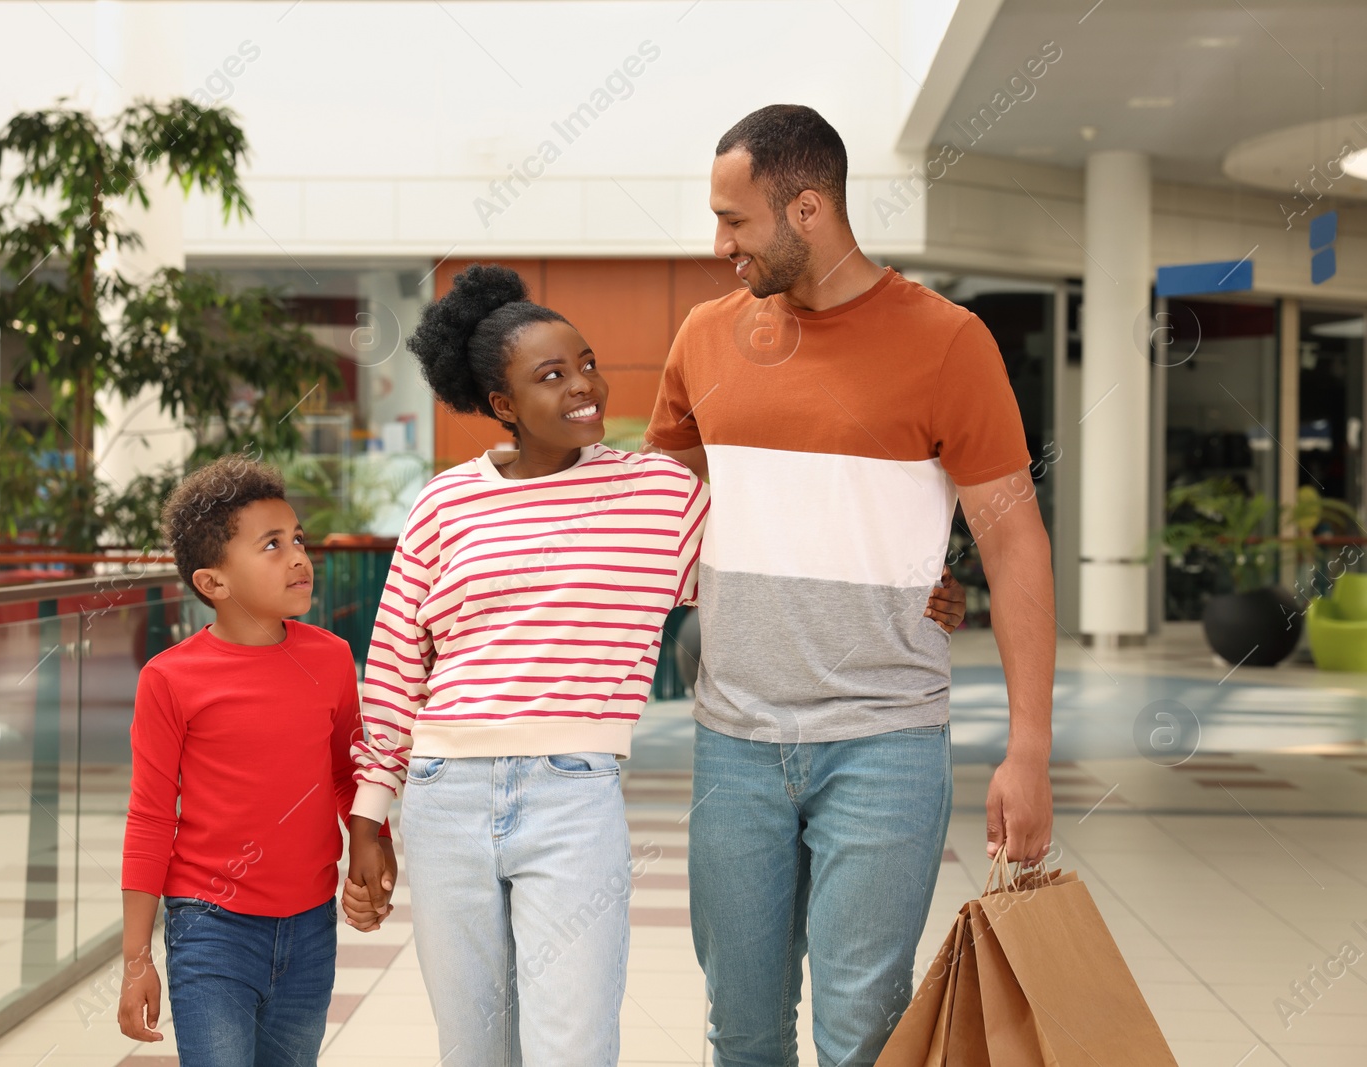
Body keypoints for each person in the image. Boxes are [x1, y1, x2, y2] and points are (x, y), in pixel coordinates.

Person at [344, 264, 966, 1066]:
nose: (585, 387)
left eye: (588, 363)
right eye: (553, 376)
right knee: (474, 1048)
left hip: (573, 793)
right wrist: (370, 812)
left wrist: (920, 586)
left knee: (571, 1047)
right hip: (441, 794)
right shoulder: (445, 503)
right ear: (502, 405)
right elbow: (395, 660)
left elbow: (771, 561)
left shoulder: (659, 496)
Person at [645, 104, 1056, 1067]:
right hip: (734, 740)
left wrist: (1028, 750)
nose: (718, 246)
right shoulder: (706, 338)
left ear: (808, 208)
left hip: (885, 741)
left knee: (862, 1032)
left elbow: (1016, 544)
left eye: (735, 221)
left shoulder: (950, 342)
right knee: (739, 1028)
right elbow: (670, 501)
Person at [116, 454, 396, 1067]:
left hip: (310, 927)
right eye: (271, 545)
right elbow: (149, 819)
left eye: (298, 538)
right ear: (212, 582)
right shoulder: (170, 679)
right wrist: (137, 957)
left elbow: (349, 774)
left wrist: (373, 847)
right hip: (209, 928)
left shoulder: (329, 659)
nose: (299, 556)